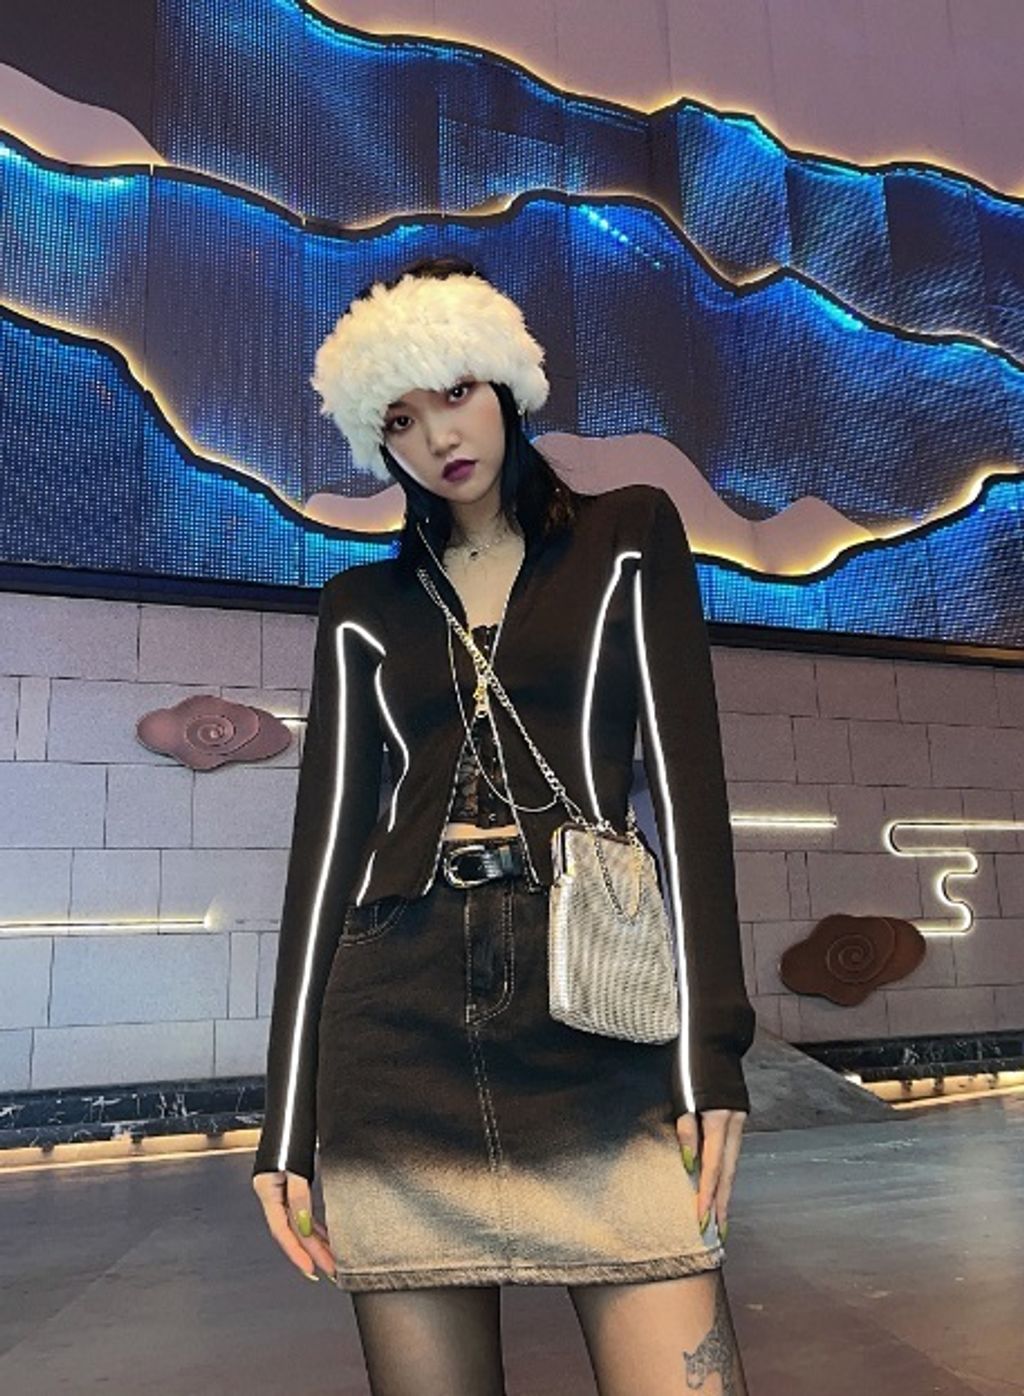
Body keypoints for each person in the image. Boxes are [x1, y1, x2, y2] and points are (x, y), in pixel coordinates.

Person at [251, 253, 756, 1395]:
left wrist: (709, 1052)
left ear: (508, 385)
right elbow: (324, 864)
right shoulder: (361, 609)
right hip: (398, 1032)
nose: (439, 435)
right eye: (400, 417)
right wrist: (285, 1122)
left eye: (457, 391)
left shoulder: (628, 536)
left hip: (595, 1013)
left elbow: (687, 796)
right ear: (378, 442)